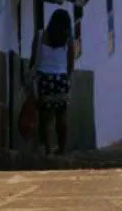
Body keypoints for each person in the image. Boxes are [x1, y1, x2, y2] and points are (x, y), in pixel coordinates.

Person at [29, 9, 75, 155]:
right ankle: (61, 149)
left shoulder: (40, 35)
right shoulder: (68, 40)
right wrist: (65, 77)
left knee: (46, 118)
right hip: (61, 80)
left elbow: (33, 58)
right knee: (62, 117)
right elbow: (71, 63)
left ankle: (48, 149)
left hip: (45, 80)